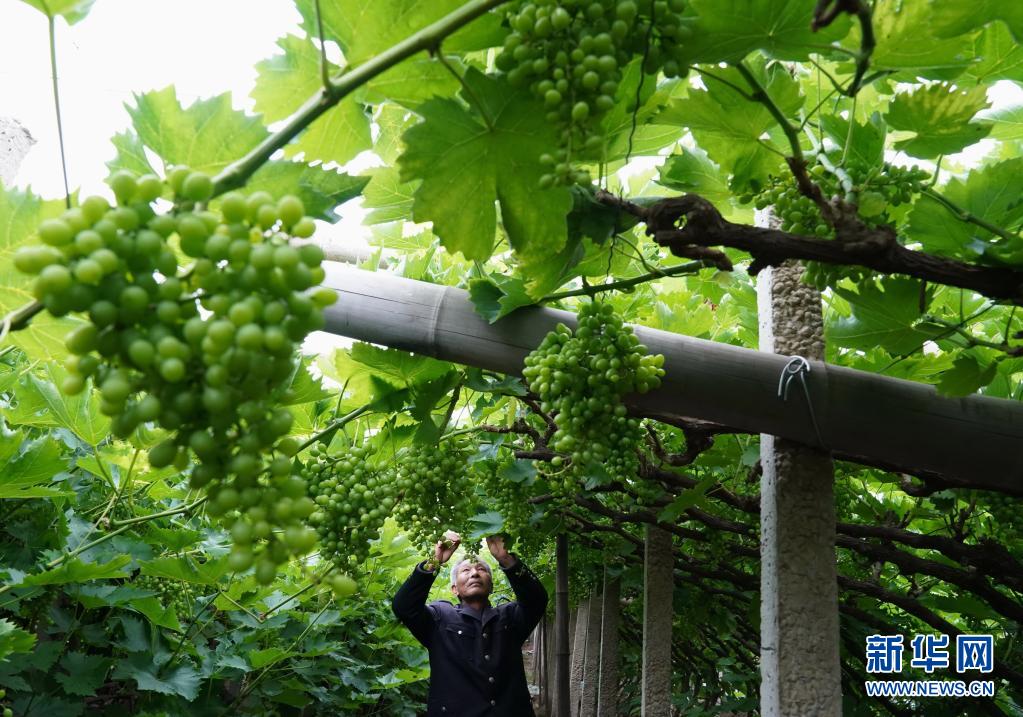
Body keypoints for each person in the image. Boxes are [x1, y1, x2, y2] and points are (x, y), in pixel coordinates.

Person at [392, 530, 548, 717]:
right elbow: (404, 606)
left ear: (490, 586)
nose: (474, 573)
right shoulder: (439, 619)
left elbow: (537, 599)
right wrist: (434, 560)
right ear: (454, 589)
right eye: (466, 571)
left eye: (481, 569)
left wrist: (506, 559)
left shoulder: (510, 617)